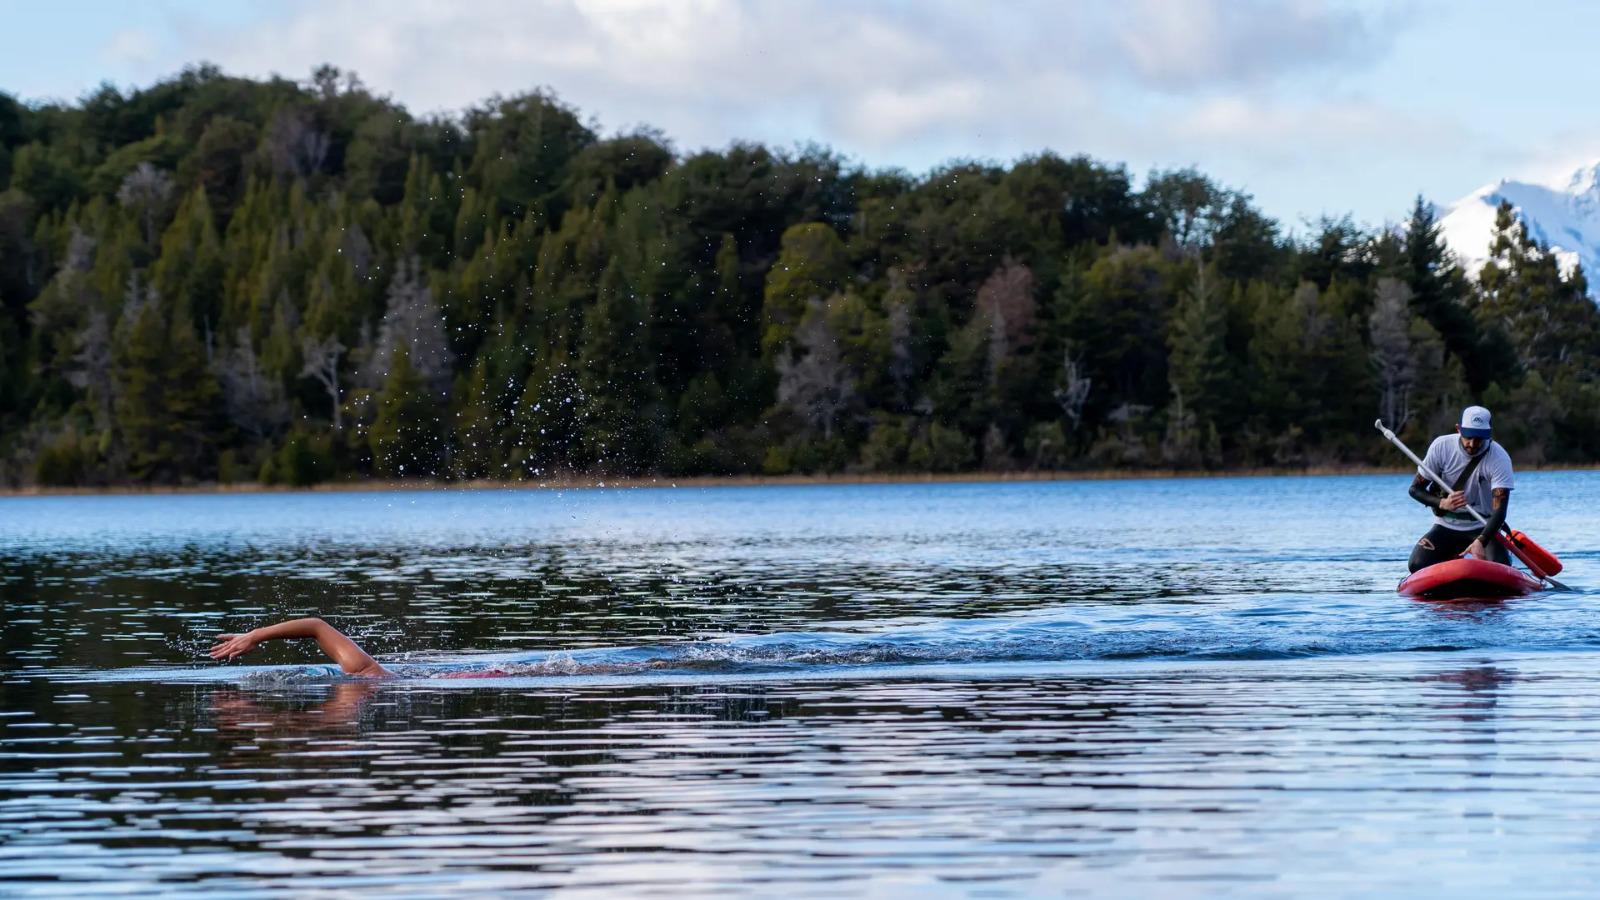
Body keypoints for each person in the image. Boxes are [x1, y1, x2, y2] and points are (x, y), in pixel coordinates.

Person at [1406, 405, 1514, 573]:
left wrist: (1481, 541)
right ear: (1458, 429)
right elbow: (1415, 490)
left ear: (1489, 433)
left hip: (1483, 526)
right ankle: (1452, 558)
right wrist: (1442, 503)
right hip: (1446, 526)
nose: (1473, 444)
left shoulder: (1499, 458)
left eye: (1479, 438)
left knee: (1501, 566)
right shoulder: (1441, 447)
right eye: (1468, 436)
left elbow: (1499, 513)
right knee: (1416, 565)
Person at [210, 618, 392, 677]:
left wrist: (255, 636)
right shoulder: (367, 672)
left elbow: (316, 626)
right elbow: (316, 626)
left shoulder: (366, 671)